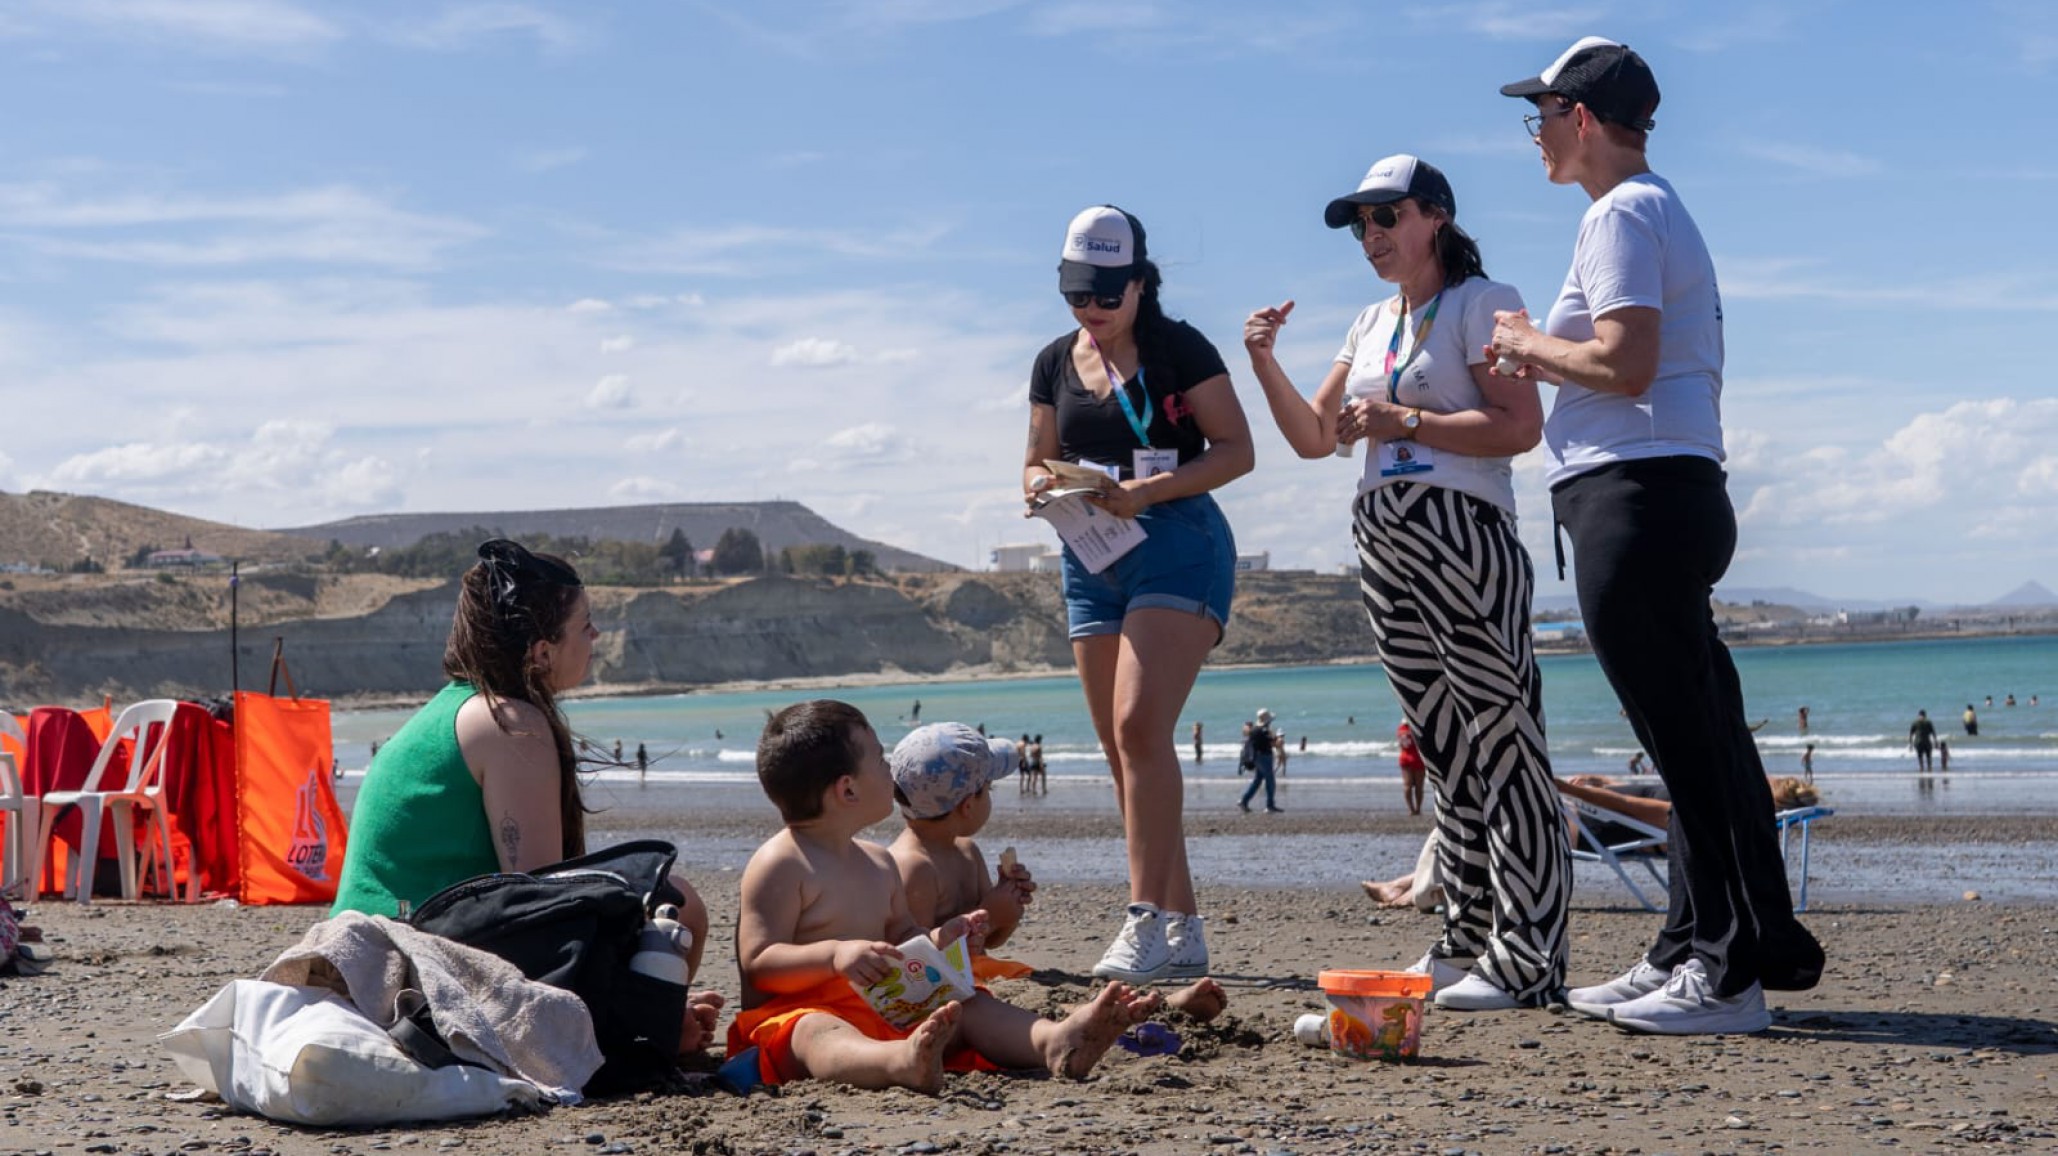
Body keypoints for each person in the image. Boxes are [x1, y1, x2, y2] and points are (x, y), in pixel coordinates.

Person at [1491, 38, 1821, 1033]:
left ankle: (1726, 975)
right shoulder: (1648, 209)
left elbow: (1625, 362)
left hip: (1638, 497)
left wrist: (1521, 345)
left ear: (1581, 118)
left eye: (1540, 115)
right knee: (1700, 733)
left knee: (1685, 746)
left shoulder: (1622, 211)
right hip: (1660, 492)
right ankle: (1692, 945)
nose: (1535, 135)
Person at [1245, 153, 1568, 1011]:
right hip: (1383, 536)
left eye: (1386, 218)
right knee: (1443, 744)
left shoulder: (1483, 303)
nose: (1370, 236)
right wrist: (1263, 361)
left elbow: (1518, 427)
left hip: (1462, 530)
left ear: (1436, 217)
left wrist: (1403, 418)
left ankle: (1531, 953)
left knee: (1502, 737)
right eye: (1361, 224)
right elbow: (1317, 440)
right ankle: (1467, 935)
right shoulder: (1370, 321)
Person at [330, 539, 720, 1048]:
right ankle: (651, 1036)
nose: (596, 635)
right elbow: (545, 902)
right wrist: (642, 1004)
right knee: (678, 902)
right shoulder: (509, 724)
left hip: (372, 956)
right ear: (541, 651)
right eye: (584, 626)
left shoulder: (456, 710)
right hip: (412, 969)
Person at [1023, 204, 1254, 985]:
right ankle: (1183, 927)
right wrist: (1041, 487)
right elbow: (1034, 457)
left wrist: (1149, 492)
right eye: (1076, 296)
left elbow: (1237, 450)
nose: (1090, 310)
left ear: (1141, 283)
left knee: (1138, 726)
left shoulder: (1180, 347)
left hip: (1177, 544)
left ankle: (1143, 920)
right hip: (1089, 551)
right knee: (1127, 756)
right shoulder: (1055, 360)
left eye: (1105, 295)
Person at [729, 701, 1161, 1092]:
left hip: (886, 1008)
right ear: (848, 790)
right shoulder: (781, 864)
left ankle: (1052, 1041)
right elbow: (759, 962)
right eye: (880, 758)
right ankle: (898, 1062)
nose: (889, 769)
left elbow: (903, 935)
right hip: (793, 1017)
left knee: (968, 1001)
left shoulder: (878, 862)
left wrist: (940, 939)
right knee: (816, 1032)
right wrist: (835, 955)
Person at [887, 724, 1038, 981]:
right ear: (968, 805)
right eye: (989, 789)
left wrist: (1007, 908)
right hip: (935, 984)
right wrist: (989, 917)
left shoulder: (967, 852)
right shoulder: (914, 867)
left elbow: (989, 943)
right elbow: (912, 963)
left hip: (967, 974)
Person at [1238, 709, 1282, 814]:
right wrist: (1278, 739)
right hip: (1264, 757)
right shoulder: (1263, 731)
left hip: (1257, 757)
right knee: (1270, 781)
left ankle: (1244, 800)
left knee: (1257, 780)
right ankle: (1269, 805)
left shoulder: (1255, 730)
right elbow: (1273, 744)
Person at [1396, 720, 1426, 817]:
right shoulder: (1415, 728)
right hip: (1416, 759)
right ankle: (1416, 808)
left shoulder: (1401, 729)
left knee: (1409, 786)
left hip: (1407, 758)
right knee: (1418, 786)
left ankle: (1412, 809)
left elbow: (1401, 745)